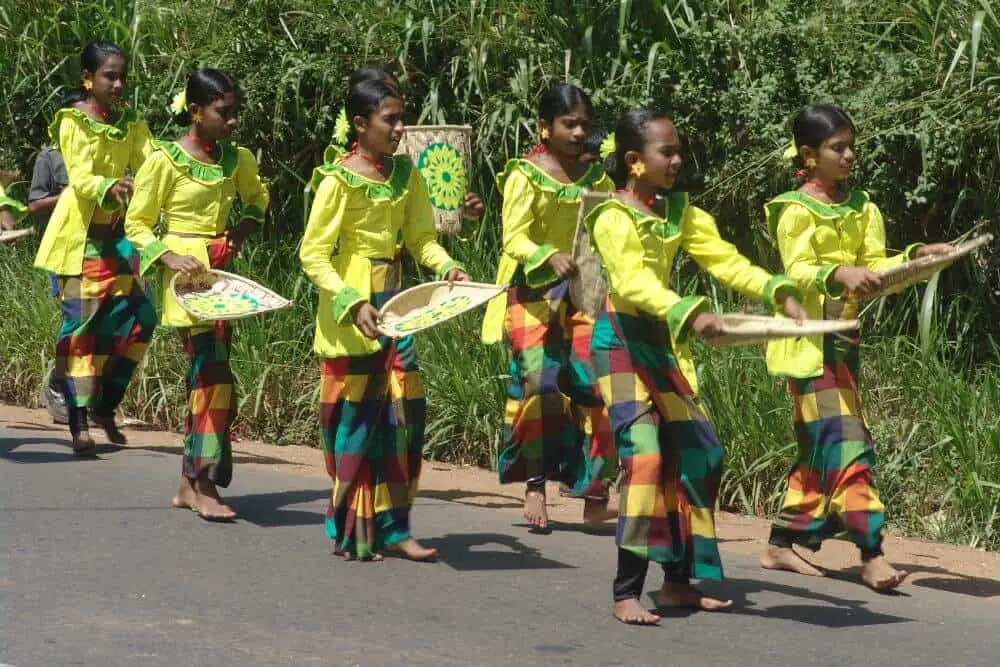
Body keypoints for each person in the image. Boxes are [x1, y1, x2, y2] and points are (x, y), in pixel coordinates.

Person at [586, 108, 805, 624]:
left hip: (658, 342)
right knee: (643, 459)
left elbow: (724, 260)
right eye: (669, 151)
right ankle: (625, 591)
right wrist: (690, 310)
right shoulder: (613, 216)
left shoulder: (678, 211)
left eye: (678, 149)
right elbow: (633, 281)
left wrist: (777, 289)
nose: (678, 159)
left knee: (699, 452)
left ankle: (677, 583)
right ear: (635, 162)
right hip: (618, 341)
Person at [760, 104, 951, 590]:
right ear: (809, 154)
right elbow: (796, 268)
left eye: (851, 146)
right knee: (847, 445)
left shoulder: (862, 206)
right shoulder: (793, 209)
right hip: (807, 347)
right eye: (836, 147)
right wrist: (836, 273)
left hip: (844, 347)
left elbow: (875, 270)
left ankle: (783, 543)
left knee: (817, 448)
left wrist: (914, 260)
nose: (848, 155)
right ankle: (871, 551)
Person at [301, 75, 469, 561]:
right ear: (361, 124)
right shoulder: (337, 178)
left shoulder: (405, 174)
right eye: (389, 119)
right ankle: (351, 529)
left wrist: (446, 266)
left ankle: (396, 529)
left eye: (402, 118)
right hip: (354, 310)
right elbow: (313, 255)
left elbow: (421, 238)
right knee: (354, 419)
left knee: (405, 415)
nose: (400, 128)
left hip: (397, 304)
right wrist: (351, 301)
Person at [124, 68, 269, 522]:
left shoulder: (237, 159)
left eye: (235, 113)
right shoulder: (165, 160)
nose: (232, 122)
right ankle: (204, 482)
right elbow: (137, 224)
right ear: (195, 111)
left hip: (222, 279)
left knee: (206, 376)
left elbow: (257, 204)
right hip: (186, 282)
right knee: (213, 376)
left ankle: (188, 483)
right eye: (223, 112)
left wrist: (237, 236)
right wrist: (167, 257)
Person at [481, 84, 617, 530]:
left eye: (584, 124)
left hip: (584, 293)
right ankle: (535, 483)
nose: (579, 132)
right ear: (545, 127)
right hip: (532, 290)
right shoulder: (525, 173)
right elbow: (513, 237)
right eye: (569, 123)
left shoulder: (597, 178)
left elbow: (611, 230)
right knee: (540, 382)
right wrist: (546, 255)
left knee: (598, 383)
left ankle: (594, 490)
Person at [33, 42, 156, 456]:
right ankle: (78, 422)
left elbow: (152, 163)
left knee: (144, 318)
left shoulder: (130, 123)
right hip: (80, 242)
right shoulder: (74, 121)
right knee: (81, 331)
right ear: (88, 79)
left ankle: (106, 403)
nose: (118, 84)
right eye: (110, 76)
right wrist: (109, 184)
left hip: (119, 240)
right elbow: (81, 177)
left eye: (122, 76)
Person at [28, 145, 71, 424]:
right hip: (65, 250)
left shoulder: (109, 149)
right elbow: (35, 204)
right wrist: (69, 196)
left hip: (106, 248)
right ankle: (58, 387)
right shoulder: (51, 157)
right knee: (78, 319)